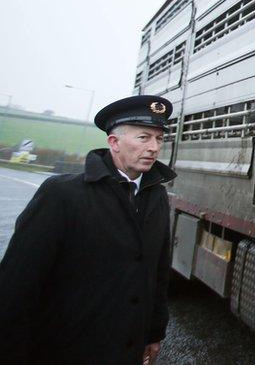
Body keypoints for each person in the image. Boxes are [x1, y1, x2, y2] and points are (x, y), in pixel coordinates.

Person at [0, 95, 176, 364]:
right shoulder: (62, 194)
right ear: (114, 142)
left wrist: (154, 333)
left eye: (159, 139)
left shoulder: (157, 197)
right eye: (143, 138)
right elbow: (17, 284)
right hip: (67, 350)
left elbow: (158, 272)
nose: (154, 147)